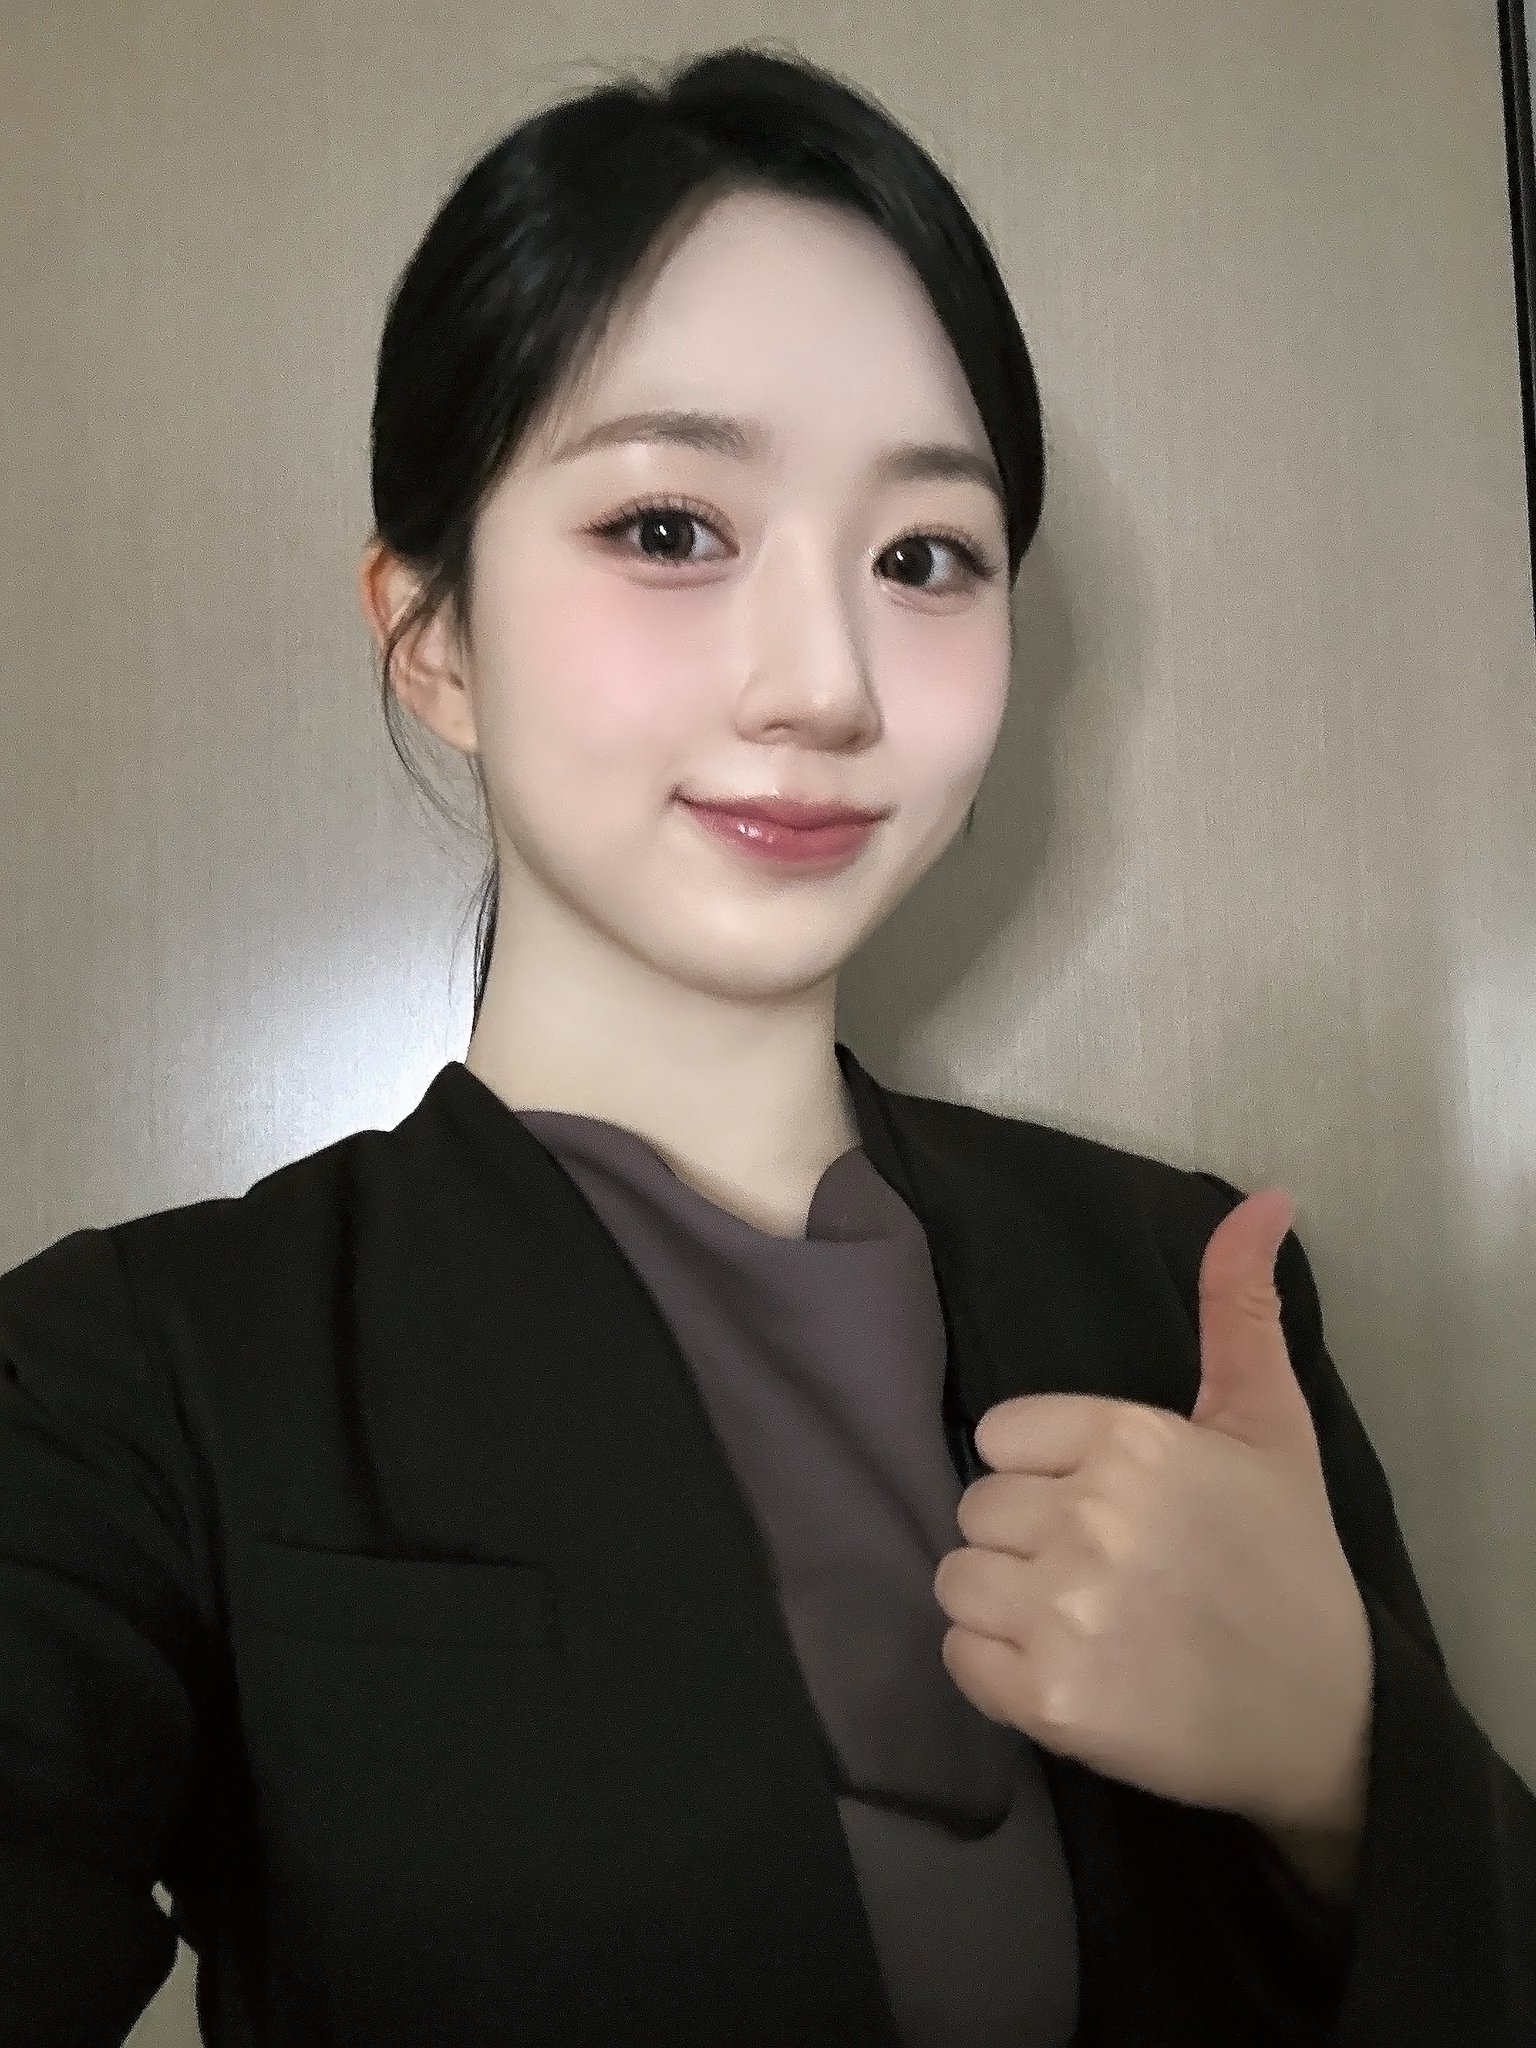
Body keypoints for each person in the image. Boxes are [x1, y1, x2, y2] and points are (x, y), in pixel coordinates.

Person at [3, 39, 1532, 2048]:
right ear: (433, 635)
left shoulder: (1192, 1290)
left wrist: (1349, 1768)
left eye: (924, 558)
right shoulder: (132, 1380)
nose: (824, 685)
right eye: (668, 528)